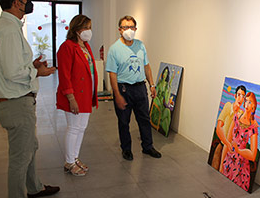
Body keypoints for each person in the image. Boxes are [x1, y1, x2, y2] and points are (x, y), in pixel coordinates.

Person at [0, 0, 60, 198]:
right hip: (15, 102)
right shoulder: (9, 30)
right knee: (20, 157)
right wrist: (37, 72)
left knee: (30, 148)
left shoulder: (7, 27)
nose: (27, 1)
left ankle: (35, 188)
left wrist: (31, 65)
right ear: (15, 2)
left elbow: (10, 67)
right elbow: (13, 73)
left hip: (18, 101)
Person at [106, 15, 161, 161]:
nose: (129, 30)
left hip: (140, 88)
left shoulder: (140, 45)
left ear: (135, 29)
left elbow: (146, 66)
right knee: (124, 121)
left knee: (144, 119)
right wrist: (116, 94)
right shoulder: (114, 49)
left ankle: (148, 147)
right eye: (125, 27)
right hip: (123, 89)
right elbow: (112, 74)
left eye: (132, 27)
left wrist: (152, 84)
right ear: (119, 30)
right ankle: (126, 149)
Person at [56, 14, 98, 176]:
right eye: (86, 28)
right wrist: (71, 98)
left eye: (90, 28)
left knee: (81, 128)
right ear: (76, 29)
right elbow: (64, 76)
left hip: (86, 94)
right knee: (73, 128)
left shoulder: (86, 46)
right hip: (74, 96)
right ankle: (69, 162)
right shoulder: (67, 47)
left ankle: (74, 157)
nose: (89, 31)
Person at [222, 92, 258, 192]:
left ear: (253, 107)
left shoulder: (253, 127)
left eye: (250, 102)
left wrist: (239, 150)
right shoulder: (237, 117)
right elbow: (228, 140)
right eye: (246, 101)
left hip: (241, 167)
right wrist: (222, 163)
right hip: (229, 161)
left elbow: (252, 155)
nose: (246, 104)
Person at [212, 85, 246, 172]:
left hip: (232, 151)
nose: (240, 98)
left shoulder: (241, 113)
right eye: (238, 95)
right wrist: (227, 143)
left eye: (243, 96)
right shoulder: (228, 106)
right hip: (222, 145)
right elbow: (219, 128)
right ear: (235, 96)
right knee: (215, 170)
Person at [150, 66, 175, 136]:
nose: (165, 74)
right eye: (164, 72)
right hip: (157, 103)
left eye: (166, 73)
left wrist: (171, 80)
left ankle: (165, 131)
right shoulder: (159, 82)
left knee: (167, 112)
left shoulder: (167, 85)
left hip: (162, 105)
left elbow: (167, 96)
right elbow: (156, 92)